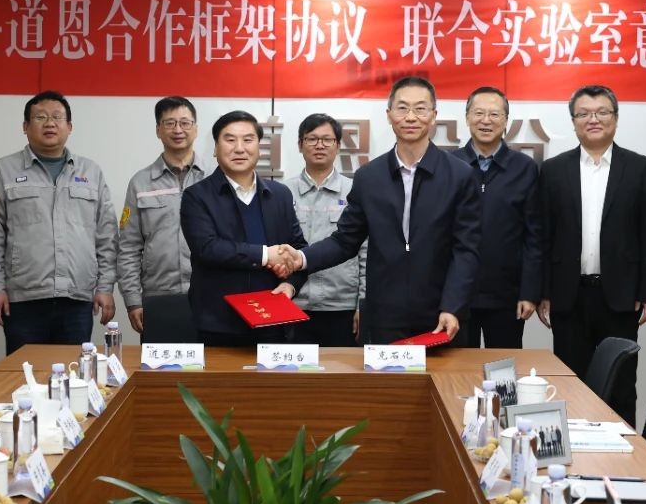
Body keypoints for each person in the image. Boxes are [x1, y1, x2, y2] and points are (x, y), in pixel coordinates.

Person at [274, 76, 480, 344]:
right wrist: (301, 258)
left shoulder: (460, 175)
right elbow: (345, 241)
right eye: (402, 108)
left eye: (420, 108)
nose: (411, 117)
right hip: (386, 316)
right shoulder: (369, 177)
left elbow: (466, 250)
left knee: (447, 373)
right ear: (389, 114)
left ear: (433, 116)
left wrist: (452, 306)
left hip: (443, 313)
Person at [538, 84, 646, 426]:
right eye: (584, 113)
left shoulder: (640, 168)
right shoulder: (553, 170)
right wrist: (544, 291)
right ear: (574, 121)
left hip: (621, 297)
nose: (593, 119)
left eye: (602, 112)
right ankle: (573, 449)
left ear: (615, 119)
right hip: (568, 295)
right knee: (570, 383)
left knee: (621, 385)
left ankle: (625, 450)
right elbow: (544, 235)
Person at [0, 91, 117, 354]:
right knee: (25, 373)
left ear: (70, 126)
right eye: (40, 117)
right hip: (23, 300)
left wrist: (105, 287)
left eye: (57, 117)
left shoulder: (91, 172)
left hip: (77, 299)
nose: (50, 123)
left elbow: (106, 235)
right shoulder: (3, 170)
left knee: (74, 370)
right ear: (25, 126)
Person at [179, 111, 308, 346]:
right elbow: (207, 248)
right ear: (215, 148)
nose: (239, 148)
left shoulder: (280, 195)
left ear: (259, 148)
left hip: (273, 322)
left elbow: (299, 250)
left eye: (248, 140)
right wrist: (265, 254)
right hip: (218, 324)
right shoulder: (197, 196)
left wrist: (291, 285)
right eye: (230, 140)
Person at [450, 86, 542, 348]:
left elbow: (534, 236)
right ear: (467, 117)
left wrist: (529, 291)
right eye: (479, 113)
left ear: (506, 121)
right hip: (457, 293)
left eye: (494, 114)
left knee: (503, 367)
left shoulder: (524, 168)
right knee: (456, 367)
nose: (486, 121)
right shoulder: (449, 164)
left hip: (507, 295)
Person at [116, 96, 206, 343]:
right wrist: (133, 300)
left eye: (185, 123)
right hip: (158, 297)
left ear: (196, 129)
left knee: (210, 367)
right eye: (170, 123)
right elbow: (128, 247)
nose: (178, 130)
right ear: (158, 130)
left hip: (209, 296)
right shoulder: (141, 182)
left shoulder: (214, 178)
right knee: (159, 367)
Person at [288, 113, 365, 346]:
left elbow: (367, 253)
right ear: (300, 145)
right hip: (292, 304)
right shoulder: (282, 193)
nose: (319, 145)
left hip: (342, 306)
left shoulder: (356, 191)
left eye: (327, 140)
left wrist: (363, 305)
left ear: (338, 146)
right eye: (312, 139)